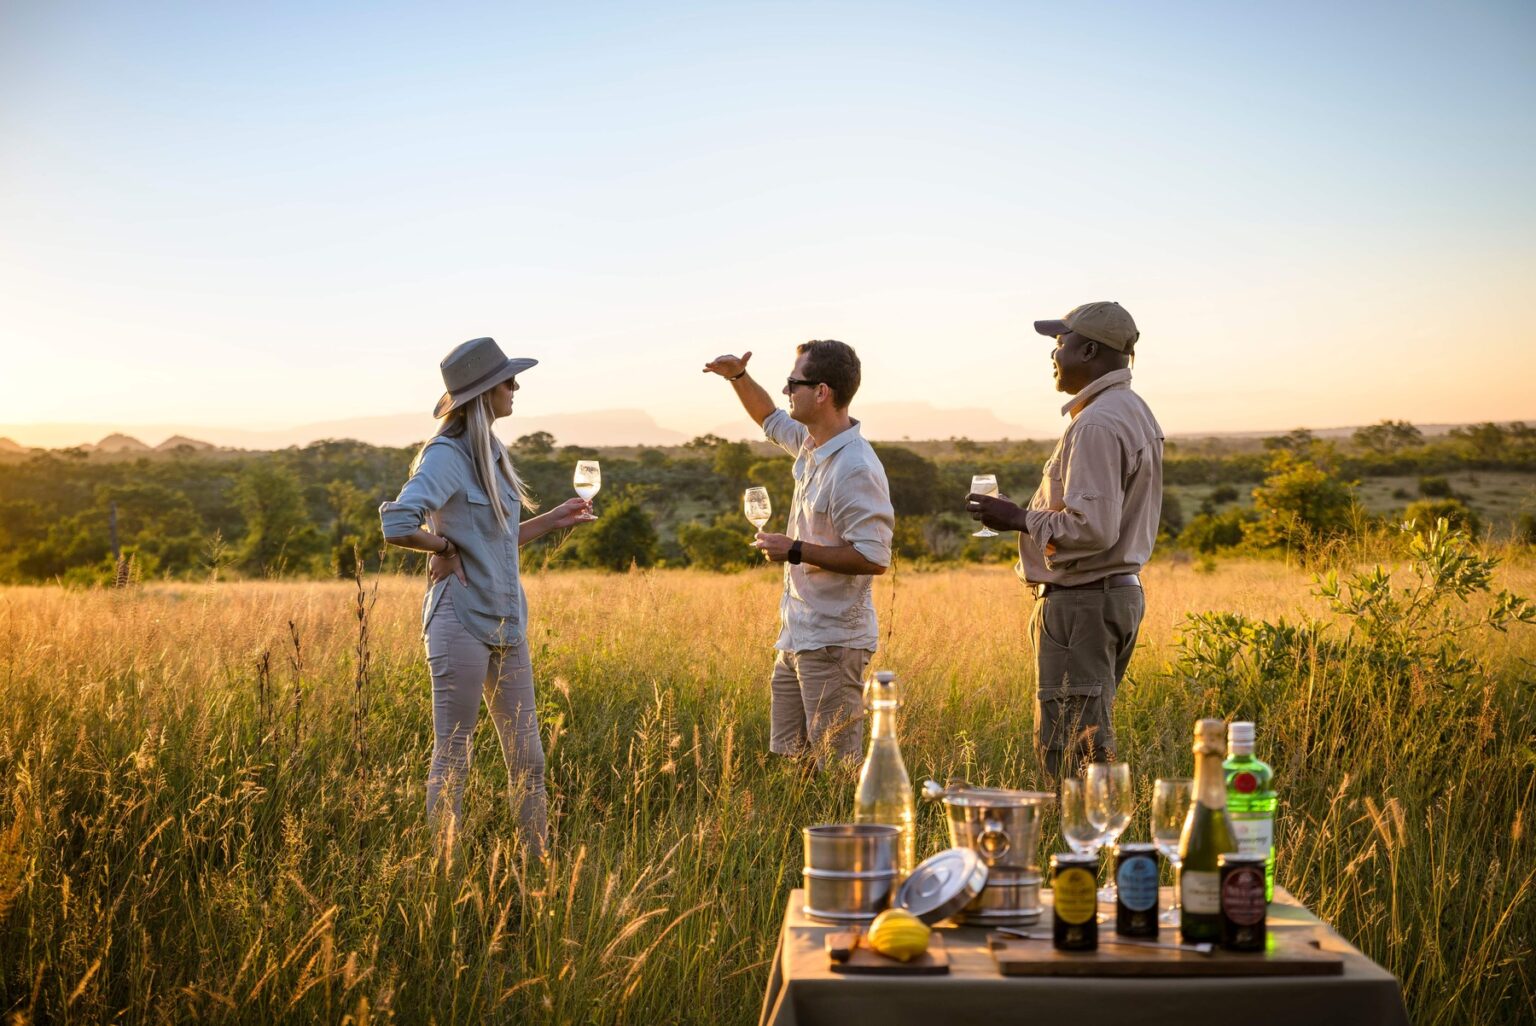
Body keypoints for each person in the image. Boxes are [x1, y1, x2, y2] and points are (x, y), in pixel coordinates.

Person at [380, 337, 594, 856]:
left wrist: (552, 520)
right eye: (507, 381)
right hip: (459, 618)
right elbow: (397, 521)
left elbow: (495, 537)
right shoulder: (447, 455)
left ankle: (536, 866)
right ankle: (444, 877)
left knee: (530, 761)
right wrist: (442, 544)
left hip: (507, 618)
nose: (516, 387)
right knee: (454, 756)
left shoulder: (492, 451)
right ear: (482, 394)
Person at [966, 302, 1163, 780]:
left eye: (1061, 342)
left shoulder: (1095, 423)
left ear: (1090, 349)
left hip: (1083, 603)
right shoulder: (1131, 410)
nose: (1054, 353)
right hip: (1109, 596)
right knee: (1086, 736)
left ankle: (1081, 848)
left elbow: (1092, 528)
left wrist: (1019, 518)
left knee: (1072, 747)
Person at [703, 340, 895, 766]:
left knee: (835, 767)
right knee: (793, 761)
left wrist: (794, 549)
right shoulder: (812, 444)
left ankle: (846, 831)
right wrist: (737, 377)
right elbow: (768, 418)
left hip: (832, 642)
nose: (787, 390)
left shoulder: (855, 467)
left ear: (822, 392)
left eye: (793, 383)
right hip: (796, 636)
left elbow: (873, 557)